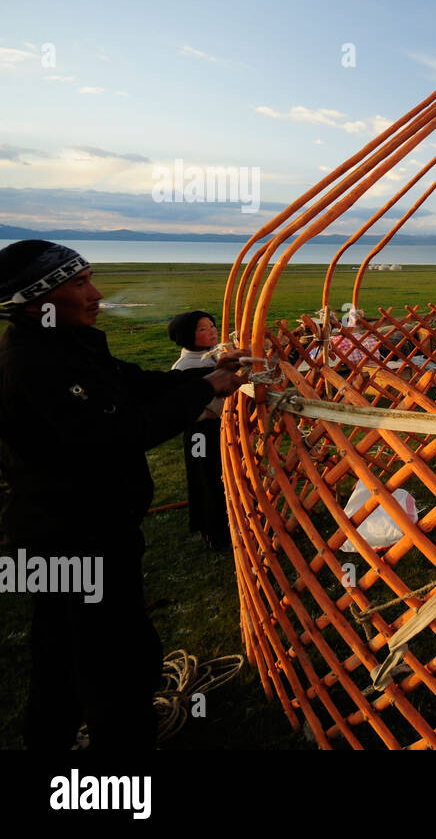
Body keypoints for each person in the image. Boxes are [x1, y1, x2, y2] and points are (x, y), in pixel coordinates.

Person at [0, 241, 245, 749]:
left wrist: (207, 376)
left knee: (64, 651)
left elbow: (134, 384)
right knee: (116, 657)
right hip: (72, 535)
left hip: (74, 528)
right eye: (79, 283)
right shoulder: (34, 360)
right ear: (37, 301)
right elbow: (115, 432)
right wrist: (205, 390)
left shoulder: (67, 343)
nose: (97, 293)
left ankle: (52, 741)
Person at [167, 310, 231, 550]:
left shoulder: (212, 357)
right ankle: (214, 532)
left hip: (216, 427)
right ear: (187, 336)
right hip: (200, 432)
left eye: (212, 326)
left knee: (221, 476)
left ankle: (223, 524)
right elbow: (194, 406)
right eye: (203, 329)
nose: (212, 331)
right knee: (206, 478)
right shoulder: (184, 367)